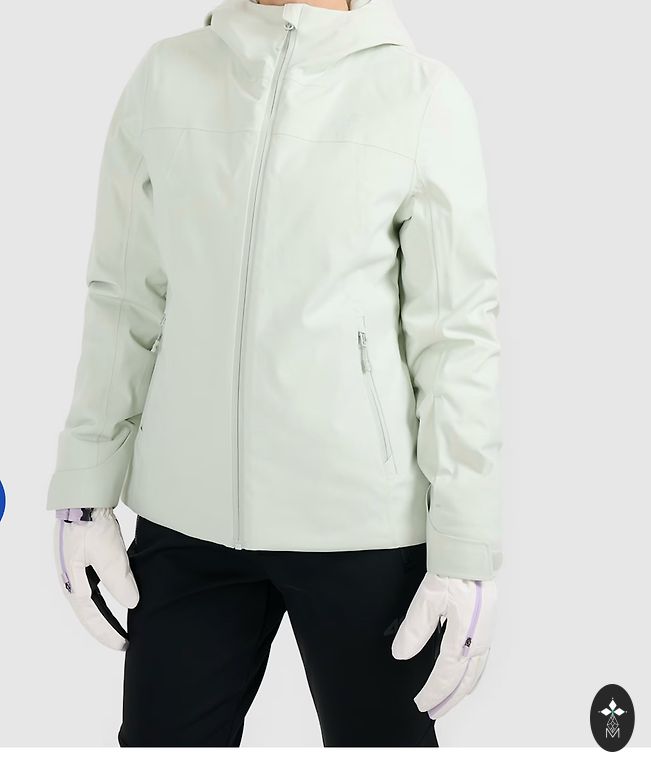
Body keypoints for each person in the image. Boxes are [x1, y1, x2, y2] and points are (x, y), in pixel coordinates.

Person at [47, 0, 502, 748]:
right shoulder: (167, 78)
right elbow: (124, 298)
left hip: (361, 529)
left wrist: (464, 550)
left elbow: (455, 336)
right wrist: (84, 493)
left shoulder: (419, 96)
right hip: (186, 523)